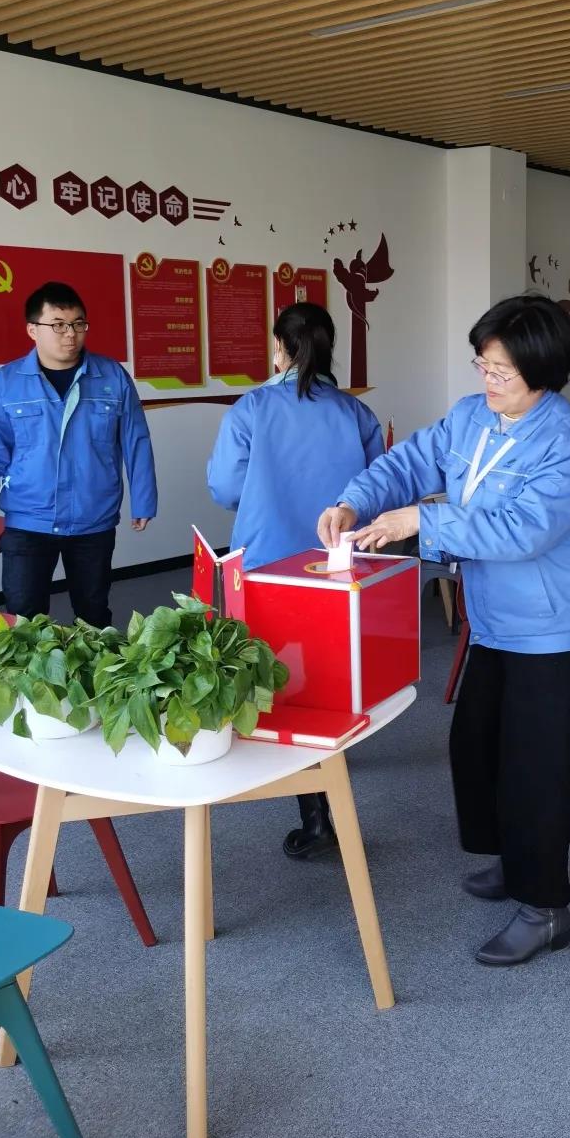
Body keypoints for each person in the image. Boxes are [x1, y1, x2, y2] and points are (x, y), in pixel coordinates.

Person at [319, 294, 570, 966]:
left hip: (553, 629)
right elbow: (410, 462)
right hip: (496, 621)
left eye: (502, 370)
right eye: (483, 364)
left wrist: (422, 520)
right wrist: (354, 501)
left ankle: (545, 908)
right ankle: (513, 859)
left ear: (543, 370)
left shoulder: (567, 443)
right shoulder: (472, 416)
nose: (488, 379)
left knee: (536, 770)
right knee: (476, 748)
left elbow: (521, 531)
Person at [207, 301, 384, 860]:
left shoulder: (252, 408)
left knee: (284, 679)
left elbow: (224, 489)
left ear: (279, 348)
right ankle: (335, 755)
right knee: (332, 670)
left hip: (267, 562)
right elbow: (379, 487)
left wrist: (265, 491)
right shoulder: (356, 413)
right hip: (335, 562)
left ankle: (316, 816)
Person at [0, 281, 156, 629]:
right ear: (33, 329)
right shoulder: (5, 384)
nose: (71, 334)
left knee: (93, 615)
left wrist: (144, 499)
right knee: (24, 620)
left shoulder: (112, 376)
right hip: (28, 520)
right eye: (58, 324)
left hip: (93, 518)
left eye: (78, 323)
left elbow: (135, 440)